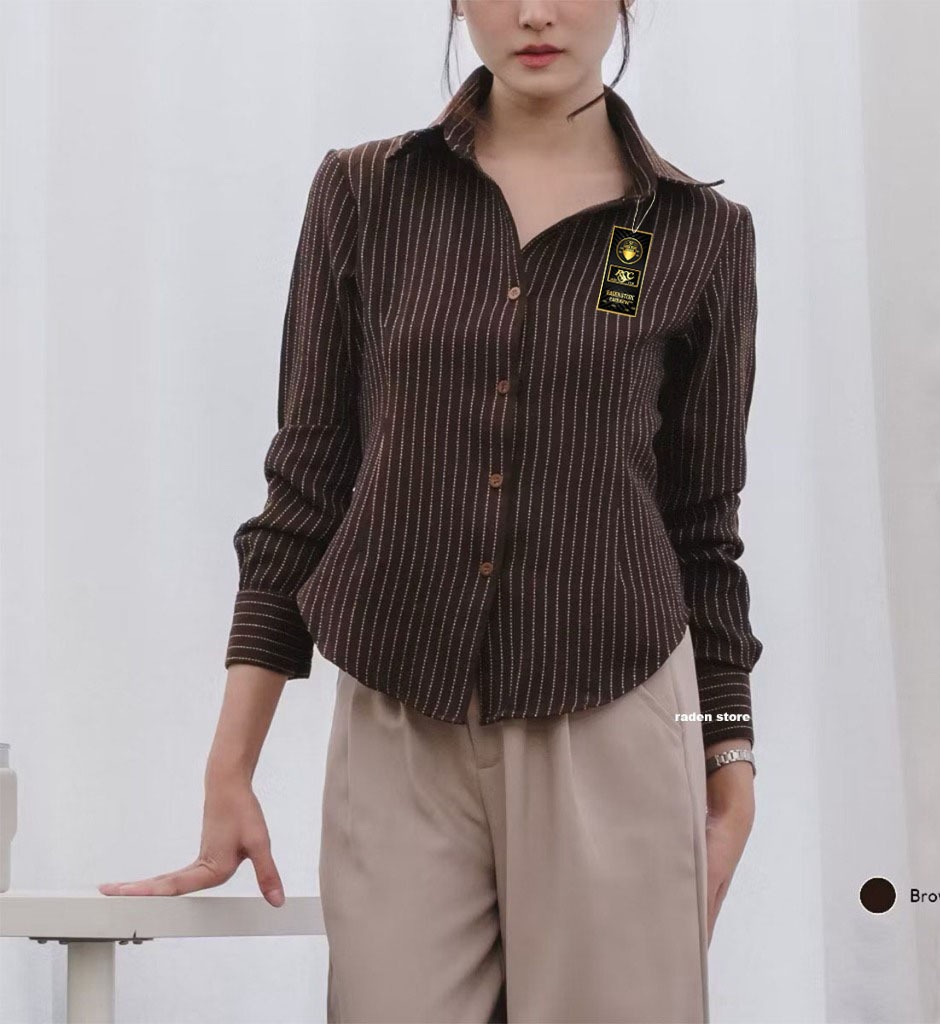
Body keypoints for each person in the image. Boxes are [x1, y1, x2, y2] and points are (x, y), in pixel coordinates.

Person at [99, 2, 763, 1021]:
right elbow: (307, 483)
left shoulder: (698, 234)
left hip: (618, 713)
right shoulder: (365, 192)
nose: (535, 13)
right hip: (398, 711)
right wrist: (230, 768)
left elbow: (702, 530)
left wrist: (727, 758)